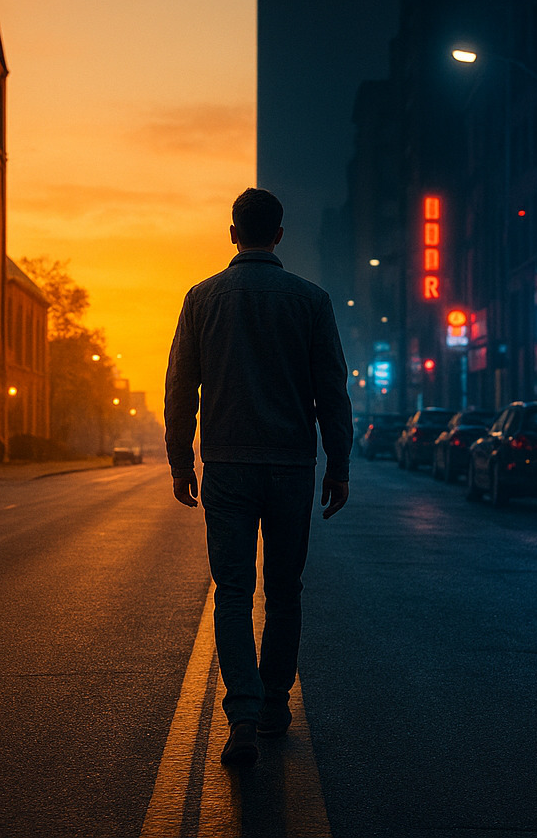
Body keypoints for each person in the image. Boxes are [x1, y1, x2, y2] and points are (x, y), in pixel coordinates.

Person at [165, 187, 352, 769]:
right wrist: (338, 463)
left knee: (234, 592)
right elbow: (331, 391)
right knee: (285, 590)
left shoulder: (201, 299)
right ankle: (274, 701)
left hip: (227, 467)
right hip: (292, 467)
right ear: (278, 234)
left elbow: (180, 387)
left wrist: (180, 458)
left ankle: (241, 712)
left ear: (232, 233)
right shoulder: (312, 301)